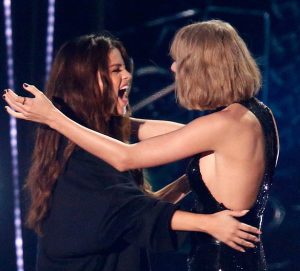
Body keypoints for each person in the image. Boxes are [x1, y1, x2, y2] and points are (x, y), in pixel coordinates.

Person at [3, 33, 260, 271]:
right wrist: (209, 223)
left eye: (126, 67)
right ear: (86, 82)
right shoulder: (77, 153)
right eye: (116, 70)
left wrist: (192, 179)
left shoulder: (103, 136)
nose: (127, 75)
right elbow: (128, 212)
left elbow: (137, 207)